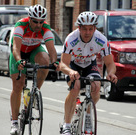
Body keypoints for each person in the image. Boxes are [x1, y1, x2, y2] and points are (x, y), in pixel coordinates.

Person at [60, 11, 118, 135]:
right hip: (73, 65)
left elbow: (110, 64)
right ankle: (67, 125)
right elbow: (62, 64)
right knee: (75, 88)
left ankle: (87, 114)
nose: (87, 32)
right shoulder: (71, 39)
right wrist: (70, 71)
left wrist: (111, 73)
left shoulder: (101, 40)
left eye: (90, 29)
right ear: (79, 28)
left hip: (89, 65)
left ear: (95, 28)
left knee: (96, 86)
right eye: (84, 29)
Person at [9, 4, 59, 135]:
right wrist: (19, 61)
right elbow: (15, 48)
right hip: (19, 52)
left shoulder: (46, 28)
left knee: (45, 60)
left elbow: (51, 49)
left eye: (41, 22)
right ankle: (14, 123)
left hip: (33, 50)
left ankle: (35, 92)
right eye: (35, 21)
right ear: (29, 18)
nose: (38, 25)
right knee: (18, 85)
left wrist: (54, 63)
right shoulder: (21, 25)